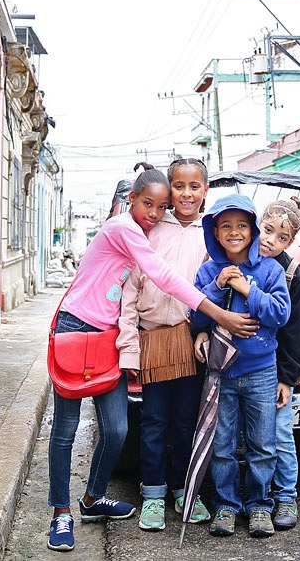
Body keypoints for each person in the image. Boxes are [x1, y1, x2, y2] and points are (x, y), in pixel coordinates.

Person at [45, 164, 255, 553]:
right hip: (77, 328)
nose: (155, 214)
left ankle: (92, 499)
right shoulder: (124, 228)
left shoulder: (150, 231)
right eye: (148, 204)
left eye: (161, 207)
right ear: (131, 201)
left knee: (119, 430)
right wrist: (219, 314)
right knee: (66, 429)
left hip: (109, 335)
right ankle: (61, 514)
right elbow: (162, 275)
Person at [117, 158, 213, 532]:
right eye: (179, 186)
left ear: (205, 190)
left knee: (187, 420)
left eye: (194, 186)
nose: (186, 194)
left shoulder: (211, 233)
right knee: (154, 420)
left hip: (191, 341)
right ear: (169, 190)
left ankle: (184, 489)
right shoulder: (149, 232)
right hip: (153, 339)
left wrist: (204, 328)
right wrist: (129, 347)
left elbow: (213, 289)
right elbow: (128, 292)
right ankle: (154, 494)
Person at [191, 193, 290, 540]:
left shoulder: (270, 269)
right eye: (226, 226)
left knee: (263, 444)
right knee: (223, 445)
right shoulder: (207, 271)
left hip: (262, 371)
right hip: (221, 374)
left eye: (242, 226)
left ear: (251, 230)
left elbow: (280, 314)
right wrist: (219, 287)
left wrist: (247, 289)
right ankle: (227, 506)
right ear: (215, 233)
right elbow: (194, 314)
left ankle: (260, 506)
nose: (234, 232)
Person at [257, 196, 300, 531]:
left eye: (281, 237)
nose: (270, 241)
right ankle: (249, 499)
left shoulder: (292, 274)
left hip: (276, 370)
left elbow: (296, 331)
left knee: (279, 435)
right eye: (267, 230)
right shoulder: (239, 261)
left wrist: (287, 378)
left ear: (291, 241)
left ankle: (286, 496)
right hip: (242, 368)